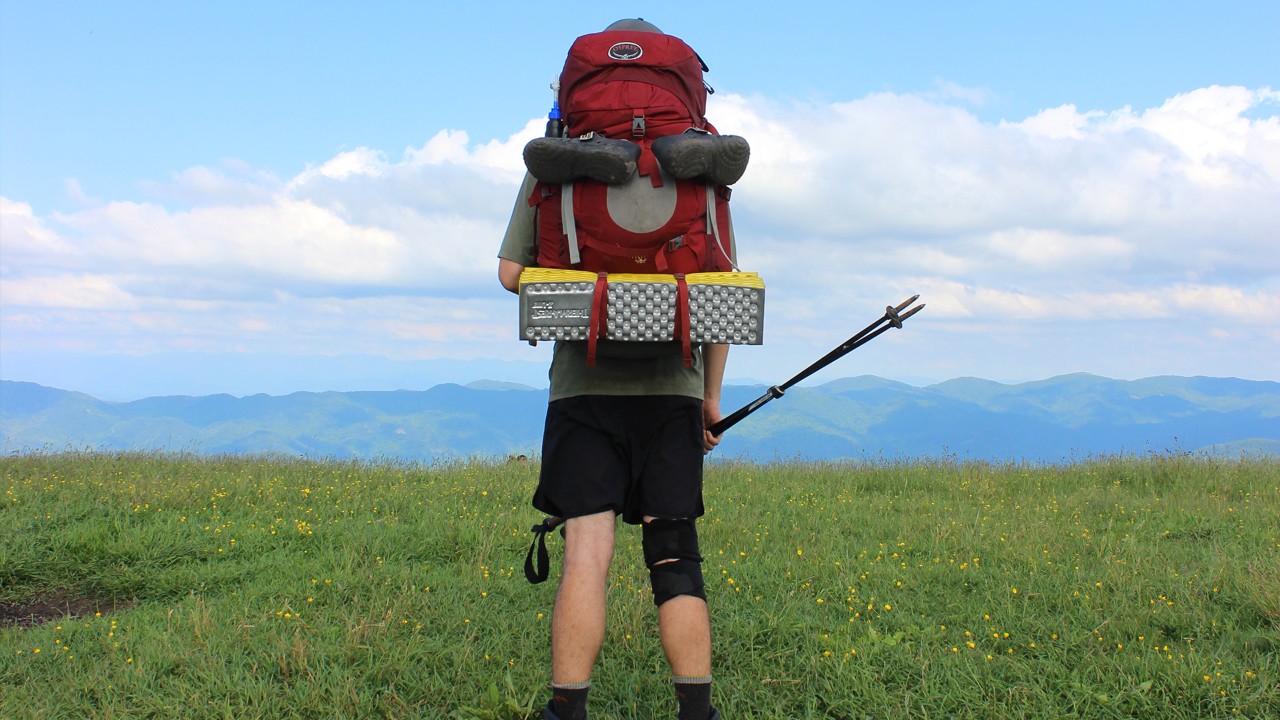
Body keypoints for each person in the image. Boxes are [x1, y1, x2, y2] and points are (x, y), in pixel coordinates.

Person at [497, 20, 739, 720]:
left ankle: (566, 711)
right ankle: (697, 711)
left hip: (583, 388)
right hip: (674, 388)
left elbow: (513, 273)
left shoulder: (558, 164)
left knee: (586, 553)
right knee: (674, 555)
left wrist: (594, 284)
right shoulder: (700, 167)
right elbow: (717, 287)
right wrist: (710, 397)